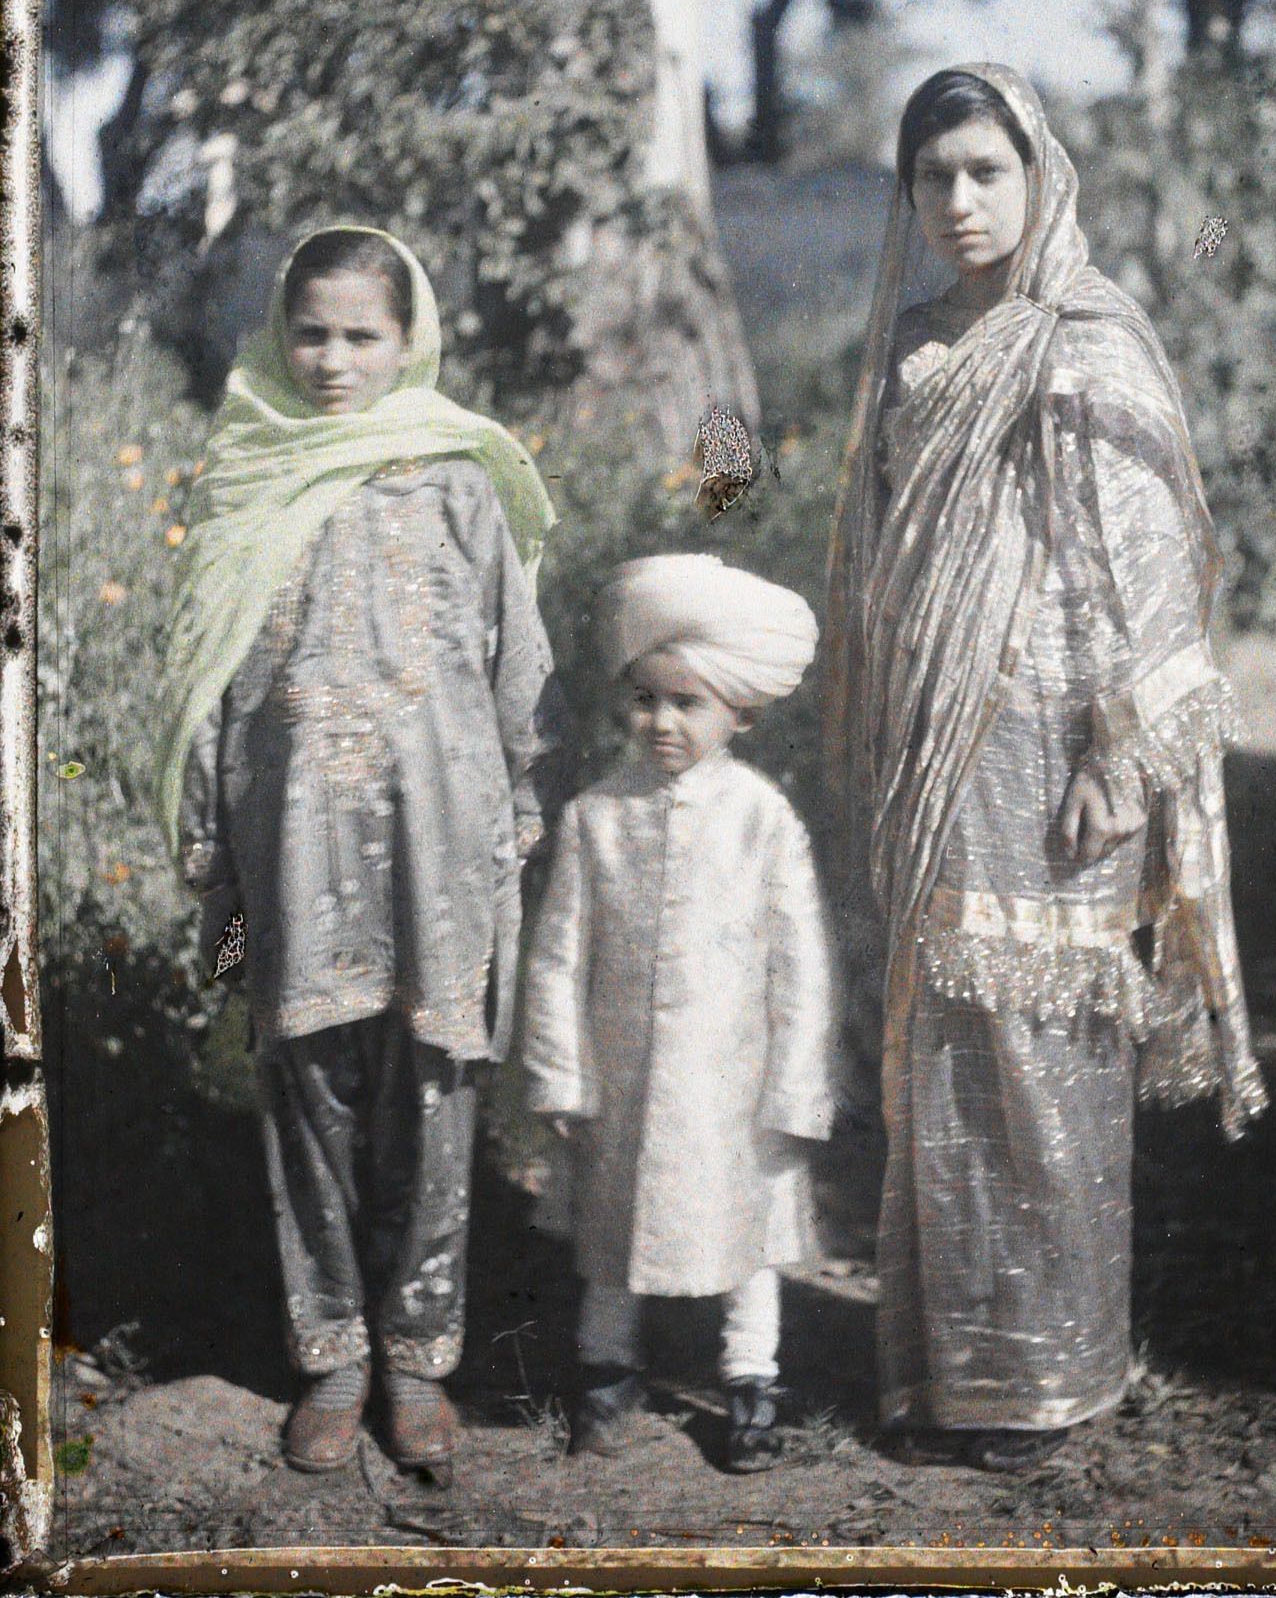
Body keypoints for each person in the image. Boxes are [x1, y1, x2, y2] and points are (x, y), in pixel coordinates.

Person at [823, 65, 1267, 1471]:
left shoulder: (1085, 341)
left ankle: (1054, 1376)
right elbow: (878, 565)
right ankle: (949, 1373)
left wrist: (1117, 758)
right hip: (933, 752)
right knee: (942, 1046)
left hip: (1058, 753)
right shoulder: (904, 349)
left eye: (983, 171)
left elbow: (1134, 577)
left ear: (1037, 175)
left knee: (1044, 1048)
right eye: (931, 176)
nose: (957, 201)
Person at [156, 225, 564, 1481]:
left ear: (410, 339)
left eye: (363, 335)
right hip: (289, 844)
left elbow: (516, 669)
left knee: (434, 1097)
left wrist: (514, 820)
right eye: (313, 332)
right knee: (309, 1088)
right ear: (284, 333)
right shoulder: (246, 472)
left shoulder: (457, 476)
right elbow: (212, 683)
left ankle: (419, 1355)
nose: (334, 360)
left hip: (437, 845)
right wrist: (212, 850)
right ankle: (329, 1350)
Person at [520, 554, 833, 1473]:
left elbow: (800, 963)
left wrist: (796, 1086)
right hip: (620, 1072)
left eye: (686, 704)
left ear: (739, 712)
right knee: (612, 1233)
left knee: (748, 1236)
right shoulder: (594, 817)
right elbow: (557, 957)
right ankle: (606, 1373)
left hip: (730, 1080)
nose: (660, 722)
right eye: (645, 700)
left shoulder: (760, 817)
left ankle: (749, 1383)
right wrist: (559, 1074)